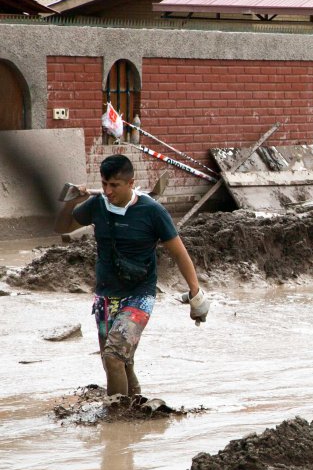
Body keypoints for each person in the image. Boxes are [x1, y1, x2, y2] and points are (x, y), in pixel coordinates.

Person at [54, 154, 209, 399]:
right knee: (118, 362)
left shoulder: (152, 211)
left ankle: (115, 421)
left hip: (139, 296)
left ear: (130, 183)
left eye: (114, 185)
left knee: (114, 356)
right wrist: (73, 201)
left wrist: (196, 294)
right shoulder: (97, 205)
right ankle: (133, 407)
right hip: (105, 297)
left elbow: (180, 254)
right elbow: (61, 227)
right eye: (104, 184)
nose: (107, 190)